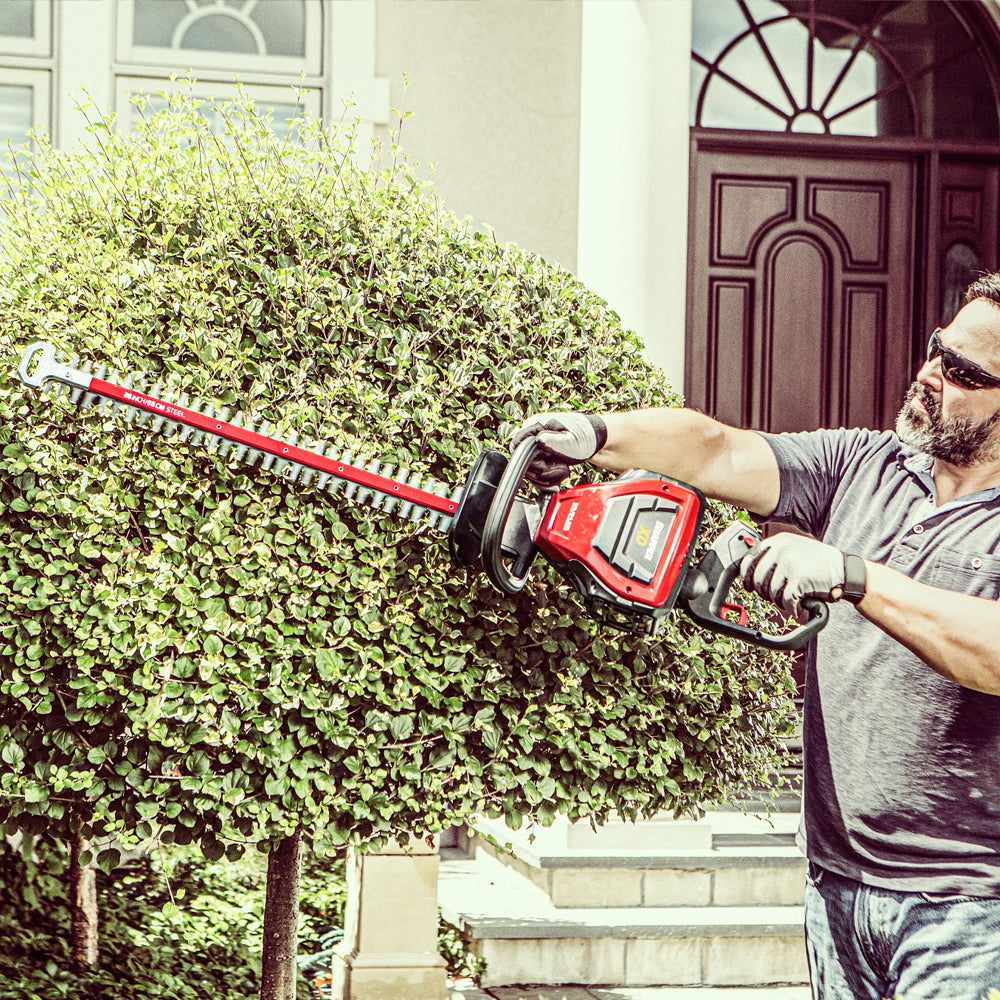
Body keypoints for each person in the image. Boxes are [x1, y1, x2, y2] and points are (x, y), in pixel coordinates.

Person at [511, 274, 1000, 1000]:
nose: (931, 373)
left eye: (962, 372)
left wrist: (851, 574)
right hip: (837, 882)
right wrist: (599, 435)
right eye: (937, 349)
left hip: (970, 906)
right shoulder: (864, 465)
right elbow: (717, 451)